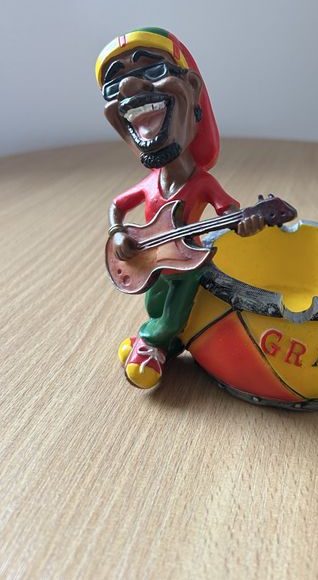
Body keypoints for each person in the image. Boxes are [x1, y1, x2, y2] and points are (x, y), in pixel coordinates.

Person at [95, 27, 263, 388]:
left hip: (187, 266)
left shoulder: (201, 183)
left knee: (170, 317)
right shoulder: (149, 184)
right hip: (152, 262)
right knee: (155, 307)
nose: (129, 86)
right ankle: (167, 346)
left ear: (192, 88)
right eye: (114, 84)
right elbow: (117, 206)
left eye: (153, 69)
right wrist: (118, 232)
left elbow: (228, 211)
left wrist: (244, 221)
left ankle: (149, 345)